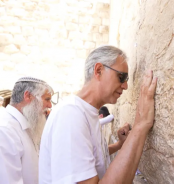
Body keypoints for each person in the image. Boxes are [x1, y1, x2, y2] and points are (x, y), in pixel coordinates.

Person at [39, 45, 157, 184]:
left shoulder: (85, 112)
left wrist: (120, 145)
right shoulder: (70, 114)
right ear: (99, 70)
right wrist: (140, 124)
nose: (125, 86)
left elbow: (89, 157)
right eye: (121, 77)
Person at [0, 77, 53, 184]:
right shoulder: (5, 130)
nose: (50, 105)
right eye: (47, 99)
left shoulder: (28, 124)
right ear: (28, 96)